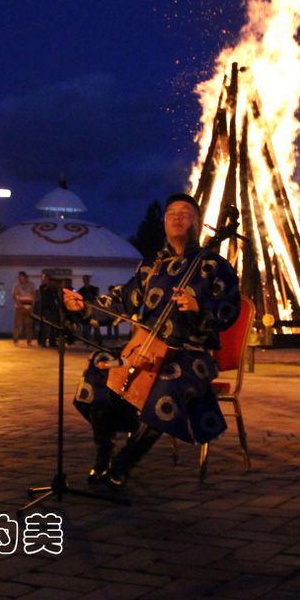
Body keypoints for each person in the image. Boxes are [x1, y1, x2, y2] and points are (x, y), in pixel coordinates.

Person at [66, 194, 241, 489]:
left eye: (185, 213)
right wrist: (83, 307)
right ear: (164, 221)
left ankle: (125, 463)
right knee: (98, 369)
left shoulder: (214, 265)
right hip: (143, 349)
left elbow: (230, 308)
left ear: (197, 222)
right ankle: (103, 455)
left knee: (167, 384)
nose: (177, 217)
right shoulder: (152, 266)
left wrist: (200, 307)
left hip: (190, 354)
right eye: (171, 212)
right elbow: (120, 301)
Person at [11, 271, 35, 346]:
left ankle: (29, 340)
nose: (20, 279)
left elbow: (34, 295)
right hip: (19, 308)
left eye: (21, 277)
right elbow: (14, 296)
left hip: (29, 308)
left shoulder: (31, 285)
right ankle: (15, 340)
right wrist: (18, 303)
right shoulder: (16, 286)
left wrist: (32, 305)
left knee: (29, 325)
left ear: (25, 277)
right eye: (19, 277)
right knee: (17, 324)